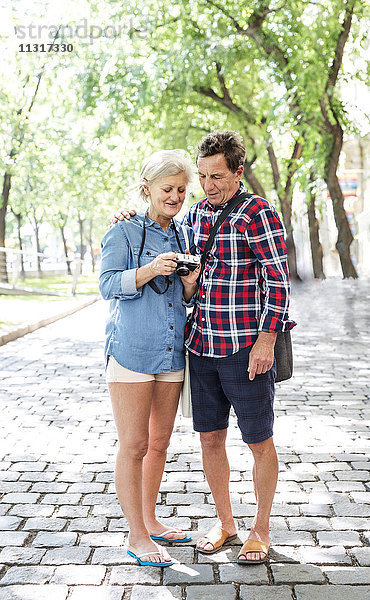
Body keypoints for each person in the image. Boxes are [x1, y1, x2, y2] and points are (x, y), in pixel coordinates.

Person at [113, 131, 296, 565]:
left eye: (217, 176)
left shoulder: (259, 213)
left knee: (259, 440)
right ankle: (227, 522)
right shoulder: (193, 216)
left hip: (246, 347)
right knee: (210, 439)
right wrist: (128, 214)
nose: (209, 184)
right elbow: (164, 244)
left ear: (238, 171)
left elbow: (278, 282)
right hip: (200, 347)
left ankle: (261, 529)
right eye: (203, 176)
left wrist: (267, 340)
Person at [99, 150, 200, 567]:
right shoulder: (123, 231)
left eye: (181, 189)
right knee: (135, 445)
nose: (175, 196)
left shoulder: (184, 235)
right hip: (131, 352)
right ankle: (136, 535)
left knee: (159, 443)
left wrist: (190, 283)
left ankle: (152, 521)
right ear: (148, 189)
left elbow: (184, 298)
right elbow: (106, 285)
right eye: (167, 189)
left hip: (171, 352)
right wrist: (149, 270)